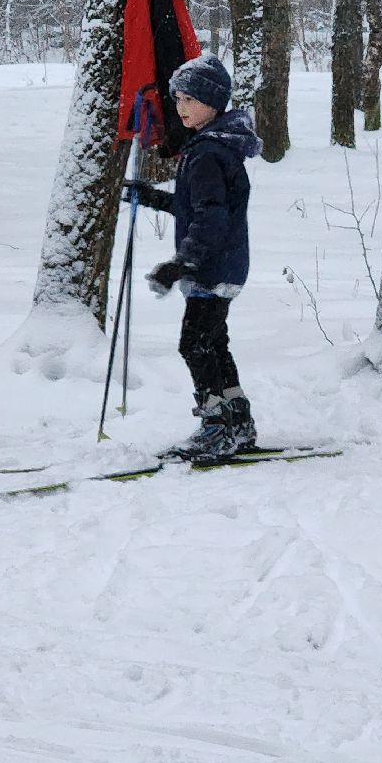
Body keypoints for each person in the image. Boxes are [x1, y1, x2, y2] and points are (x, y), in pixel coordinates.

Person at [123, 54, 262, 461]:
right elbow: (199, 205)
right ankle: (238, 420)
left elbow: (210, 217)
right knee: (213, 343)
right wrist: (151, 197)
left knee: (195, 344)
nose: (181, 107)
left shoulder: (206, 153)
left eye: (190, 99)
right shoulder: (214, 147)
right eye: (178, 99)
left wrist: (181, 263)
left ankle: (218, 427)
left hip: (211, 266)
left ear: (213, 102)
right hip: (224, 264)